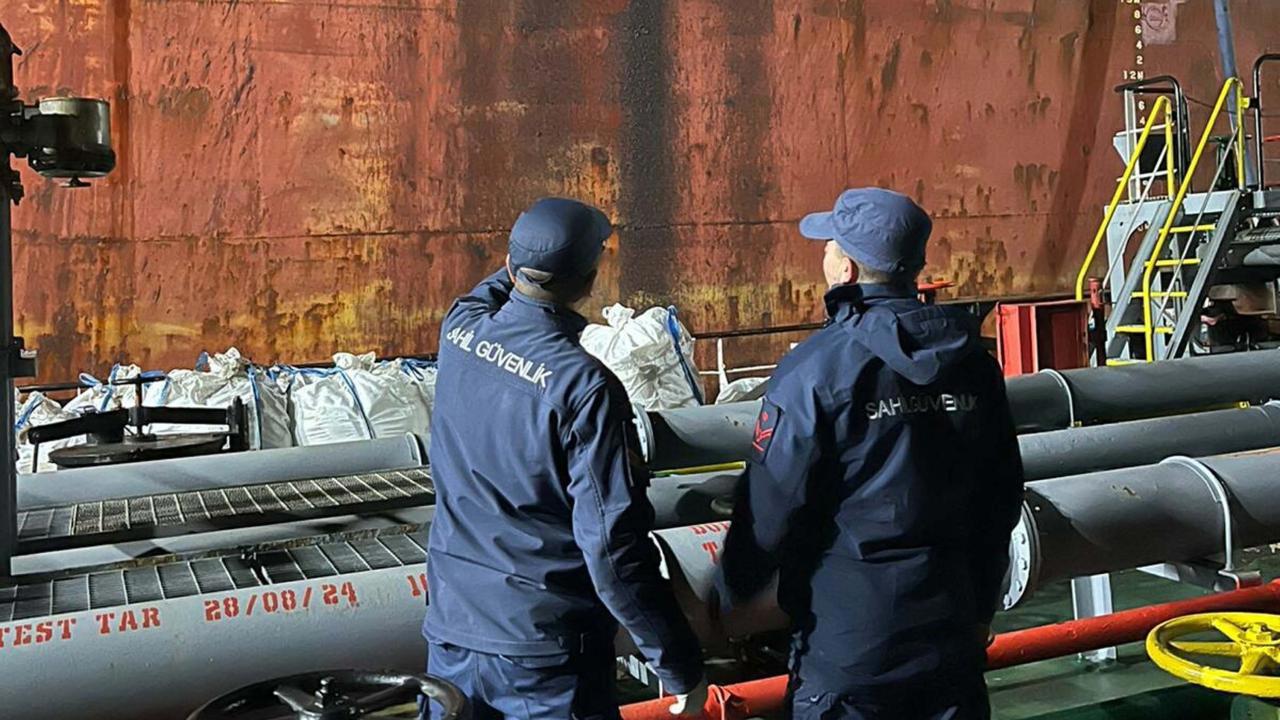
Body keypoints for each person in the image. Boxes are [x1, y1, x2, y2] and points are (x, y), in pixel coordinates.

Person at [715, 188, 1025, 719]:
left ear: (848, 270)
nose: (823, 254)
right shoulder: (972, 361)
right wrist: (980, 606)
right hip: (951, 628)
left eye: (830, 246)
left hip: (850, 640)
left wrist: (732, 594)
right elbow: (1001, 497)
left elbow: (770, 506)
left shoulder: (815, 370)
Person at [423, 197, 708, 719]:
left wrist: (532, 250)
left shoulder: (460, 328)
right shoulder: (586, 387)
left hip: (451, 632)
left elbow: (504, 283)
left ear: (510, 266)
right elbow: (612, 547)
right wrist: (678, 662)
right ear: (589, 281)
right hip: (544, 659)